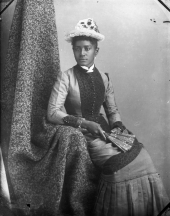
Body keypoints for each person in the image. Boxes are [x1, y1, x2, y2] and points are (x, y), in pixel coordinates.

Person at [47, 18, 169, 216]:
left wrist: (118, 125)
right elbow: (52, 112)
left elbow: (112, 110)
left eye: (87, 48)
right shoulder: (66, 77)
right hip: (86, 135)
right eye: (77, 49)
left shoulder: (104, 78)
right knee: (120, 166)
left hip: (108, 132)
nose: (82, 53)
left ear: (96, 50)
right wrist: (84, 123)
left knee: (143, 158)